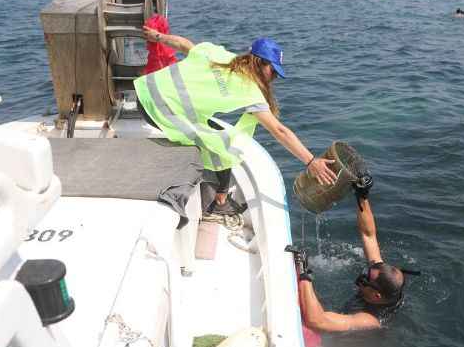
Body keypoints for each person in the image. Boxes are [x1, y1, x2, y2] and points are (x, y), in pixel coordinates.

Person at [134, 28, 336, 215]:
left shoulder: (219, 54)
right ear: (260, 63)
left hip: (143, 93)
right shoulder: (251, 91)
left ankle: (219, 194)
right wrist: (311, 161)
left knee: (218, 137)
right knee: (224, 148)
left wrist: (157, 37)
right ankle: (220, 203)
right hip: (158, 112)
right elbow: (279, 130)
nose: (273, 77)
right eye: (273, 71)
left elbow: (183, 44)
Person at [293, 176, 419, 332]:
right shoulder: (379, 277)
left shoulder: (369, 319)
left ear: (376, 295)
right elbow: (369, 235)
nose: (361, 279)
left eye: (364, 280)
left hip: (350, 345)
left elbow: (317, 321)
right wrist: (362, 196)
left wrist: (304, 273)